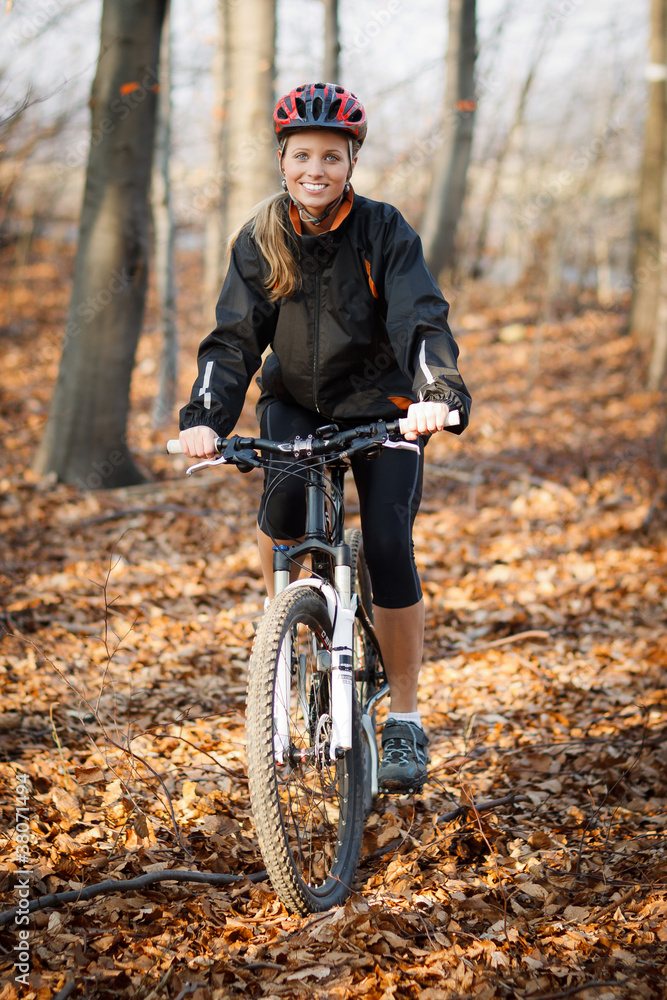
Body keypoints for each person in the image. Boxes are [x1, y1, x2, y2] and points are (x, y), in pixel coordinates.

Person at [178, 82, 471, 793]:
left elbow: (419, 318)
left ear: (351, 162)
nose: (316, 169)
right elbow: (232, 340)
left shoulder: (383, 230)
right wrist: (205, 418)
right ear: (282, 159)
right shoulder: (259, 238)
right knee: (282, 515)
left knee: (387, 543)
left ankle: (403, 717)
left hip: (384, 408)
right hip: (297, 405)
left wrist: (436, 394)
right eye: (302, 155)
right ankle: (284, 628)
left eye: (331, 157)